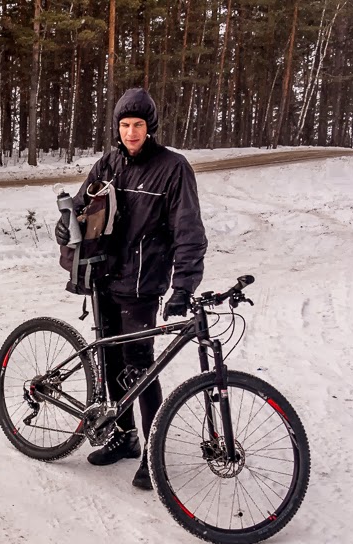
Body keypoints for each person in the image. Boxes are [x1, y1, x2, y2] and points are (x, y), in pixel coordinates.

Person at [56, 88, 207, 489]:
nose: (131, 132)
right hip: (102, 277)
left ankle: (153, 454)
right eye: (125, 125)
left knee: (141, 368)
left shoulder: (173, 168)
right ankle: (124, 439)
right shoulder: (109, 162)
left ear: (150, 127)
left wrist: (183, 287)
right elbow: (81, 204)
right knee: (112, 366)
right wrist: (65, 224)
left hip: (141, 284)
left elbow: (188, 231)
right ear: (117, 128)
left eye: (138, 125)